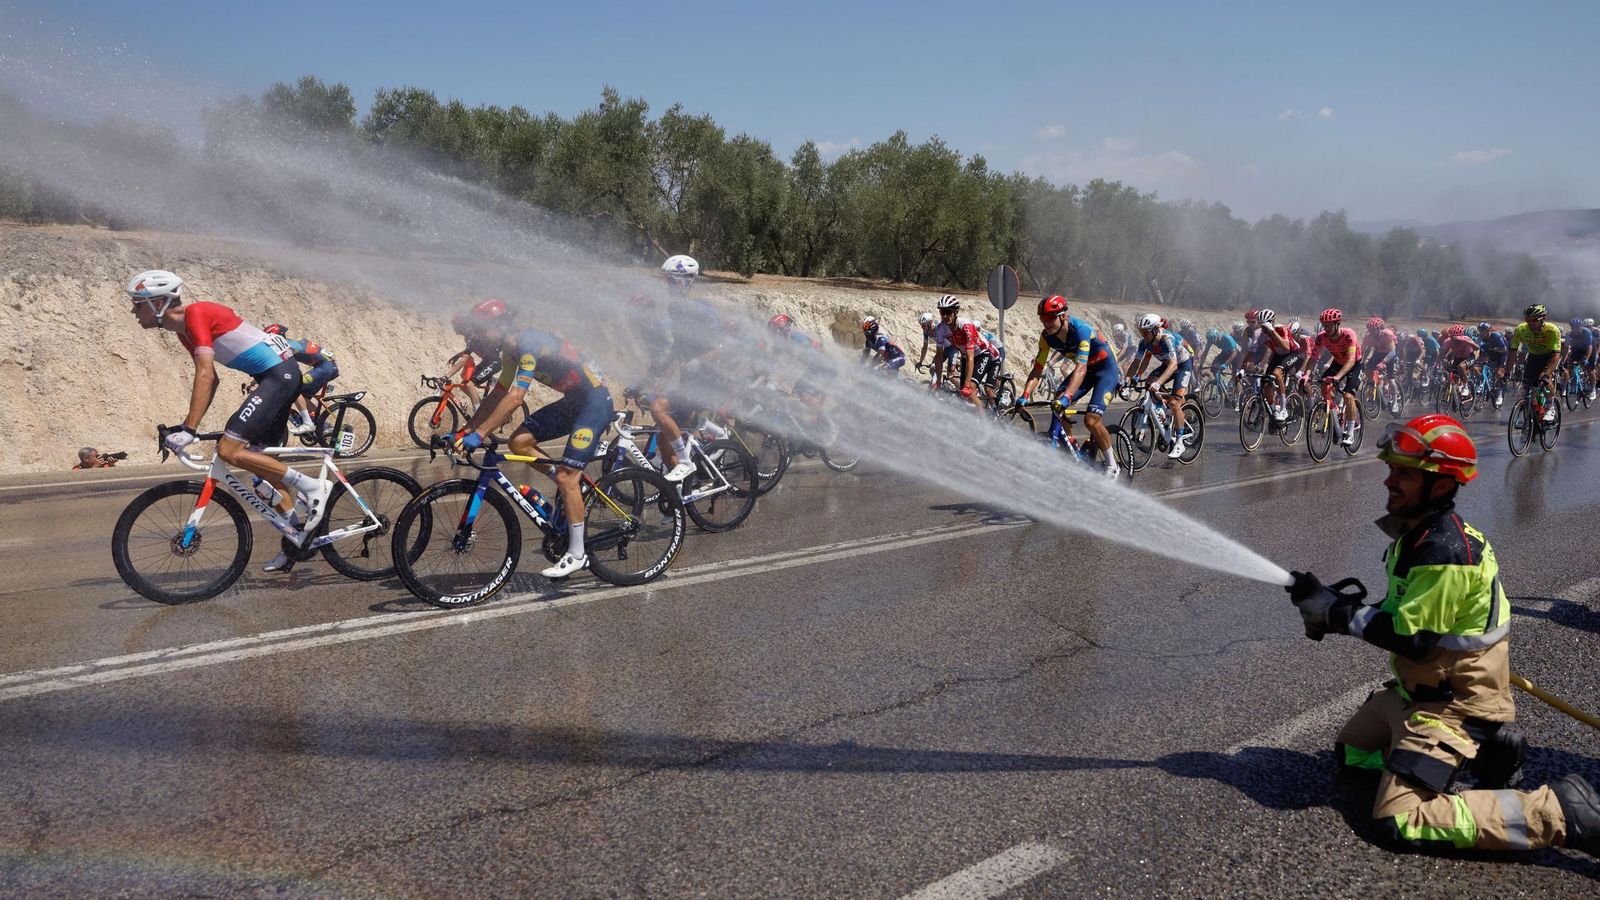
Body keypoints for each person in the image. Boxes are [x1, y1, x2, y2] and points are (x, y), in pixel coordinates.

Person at [1285, 414, 1600, 858]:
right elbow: (1401, 613)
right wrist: (1332, 604)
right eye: (1392, 470)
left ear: (1440, 485)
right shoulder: (1416, 537)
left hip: (1456, 703)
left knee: (1397, 820)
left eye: (1405, 474)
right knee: (1353, 755)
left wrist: (1336, 611)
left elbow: (1413, 639)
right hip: (1420, 692)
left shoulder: (1445, 553)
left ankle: (1557, 812)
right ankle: (1482, 753)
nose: (1390, 482)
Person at [125, 269, 331, 571]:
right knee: (264, 472)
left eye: (138, 303)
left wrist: (189, 429)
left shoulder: (196, 314)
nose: (133, 311)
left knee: (229, 450)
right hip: (272, 377)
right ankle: (296, 542)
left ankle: (314, 488)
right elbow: (214, 380)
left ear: (158, 303)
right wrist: (189, 428)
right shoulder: (184, 331)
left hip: (279, 376)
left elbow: (206, 374)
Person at [452, 298, 615, 579]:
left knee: (567, 476)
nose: (479, 336)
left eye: (483, 329)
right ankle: (572, 490)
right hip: (574, 401)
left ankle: (578, 554)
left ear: (500, 325)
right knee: (519, 443)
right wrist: (465, 430)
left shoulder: (527, 345)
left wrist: (481, 434)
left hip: (595, 402)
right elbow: (499, 393)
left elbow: (516, 397)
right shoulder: (510, 352)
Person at [1020, 295, 1122, 478]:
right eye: (1043, 318)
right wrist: (1025, 394)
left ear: (1063, 316)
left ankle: (1112, 466)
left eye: (1050, 317)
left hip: (1106, 370)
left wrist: (1068, 397)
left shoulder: (1080, 330)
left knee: (1090, 420)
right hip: (1086, 371)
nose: (1046, 323)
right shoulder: (1046, 338)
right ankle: (1072, 445)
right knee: (1056, 403)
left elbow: (1080, 368)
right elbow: (1037, 369)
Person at [1126, 312, 1195, 459]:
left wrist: (1159, 383)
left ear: (1156, 329)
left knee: (1175, 402)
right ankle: (1164, 410)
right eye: (1141, 332)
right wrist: (1129, 379)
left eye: (1145, 332)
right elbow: (1139, 362)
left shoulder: (1167, 339)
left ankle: (1179, 442)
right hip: (1167, 364)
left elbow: (1173, 365)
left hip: (1182, 365)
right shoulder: (1144, 342)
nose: (1142, 335)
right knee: (1148, 383)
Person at [262, 323, 339, 436]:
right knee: (304, 397)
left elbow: (278, 365)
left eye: (271, 340)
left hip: (325, 367)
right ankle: (325, 426)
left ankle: (308, 423)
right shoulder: (289, 344)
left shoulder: (290, 346)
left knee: (295, 388)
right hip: (326, 367)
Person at [1310, 308, 1363, 446]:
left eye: (1328, 325)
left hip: (1354, 364)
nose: (1326, 328)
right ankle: (1334, 410)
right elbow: (1313, 357)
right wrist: (1305, 374)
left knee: (1348, 396)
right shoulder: (1322, 337)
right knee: (1324, 383)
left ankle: (1350, 432)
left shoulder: (1348, 335)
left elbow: (1351, 360)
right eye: (1324, 325)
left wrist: (1338, 377)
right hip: (1338, 362)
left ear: (1337, 324)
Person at [1505, 304, 1563, 424]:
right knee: (1528, 385)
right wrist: (1506, 372)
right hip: (1534, 356)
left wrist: (1547, 374)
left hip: (1550, 356)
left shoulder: (1552, 330)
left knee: (1545, 379)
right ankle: (1533, 411)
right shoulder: (1521, 329)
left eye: (1535, 320)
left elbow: (1556, 355)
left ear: (1543, 318)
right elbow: (1513, 352)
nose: (1531, 323)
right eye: (1528, 320)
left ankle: (1550, 406)